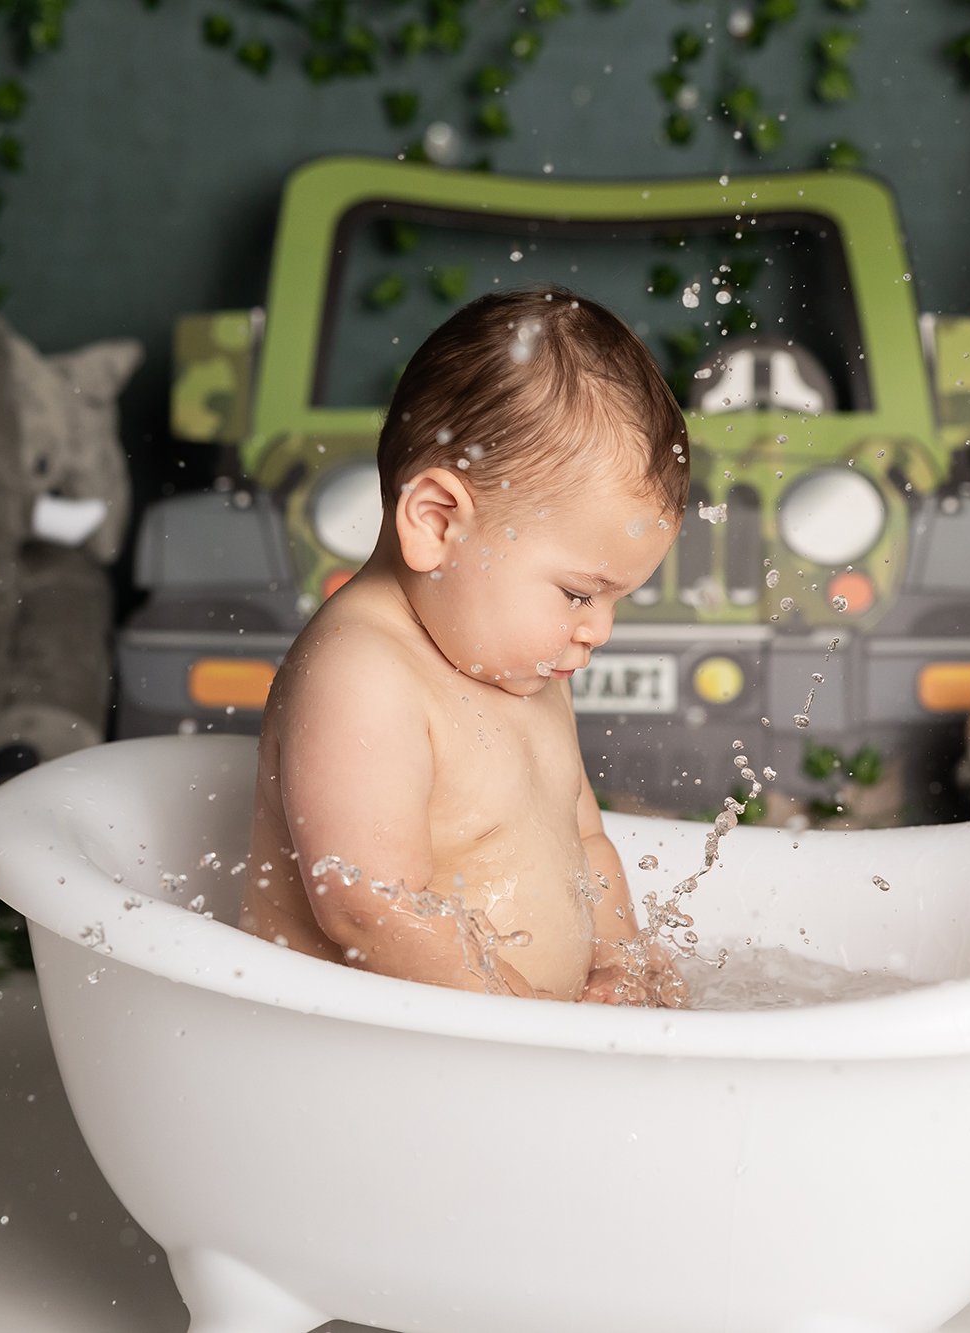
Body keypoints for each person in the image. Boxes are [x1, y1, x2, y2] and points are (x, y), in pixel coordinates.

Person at [238, 285, 690, 1005]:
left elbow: (587, 847)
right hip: (361, 1055)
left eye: (614, 601)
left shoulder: (529, 672)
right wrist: (529, 1019)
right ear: (437, 521)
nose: (599, 629)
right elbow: (369, 907)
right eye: (579, 592)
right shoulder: (363, 670)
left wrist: (618, 964)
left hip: (501, 1053)